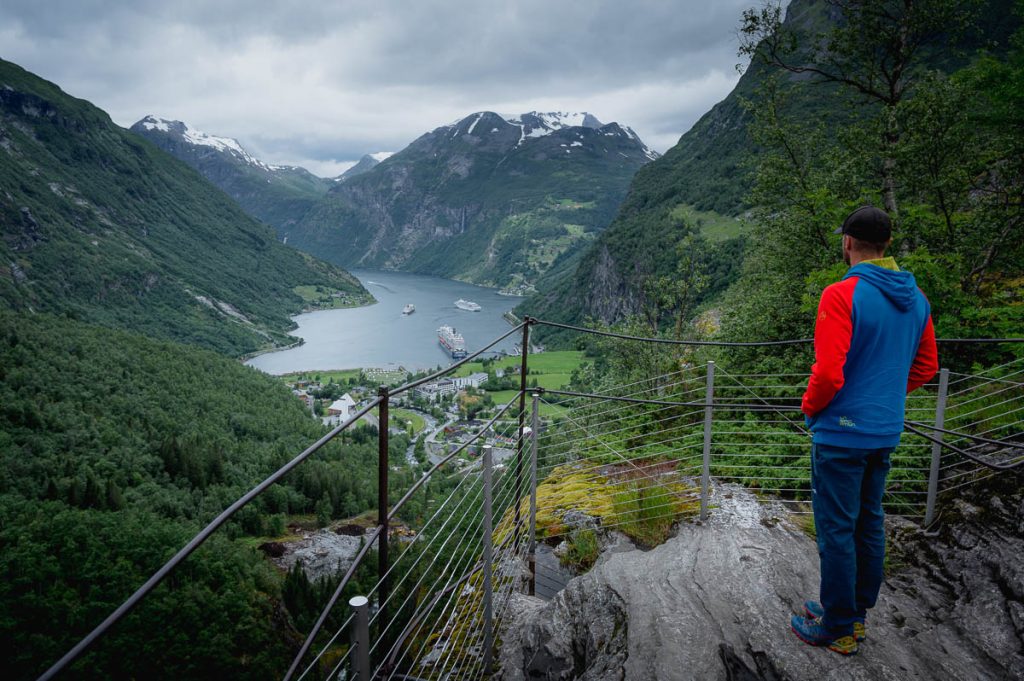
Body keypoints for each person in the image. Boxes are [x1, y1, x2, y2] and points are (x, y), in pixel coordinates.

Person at [791, 206, 938, 655]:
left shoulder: (841, 294)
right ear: (888, 245)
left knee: (836, 528)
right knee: (869, 522)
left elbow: (829, 374)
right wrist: (887, 397)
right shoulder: (916, 298)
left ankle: (836, 626)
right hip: (884, 430)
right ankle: (853, 611)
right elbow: (927, 366)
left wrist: (809, 408)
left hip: (840, 432)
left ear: (848, 243)